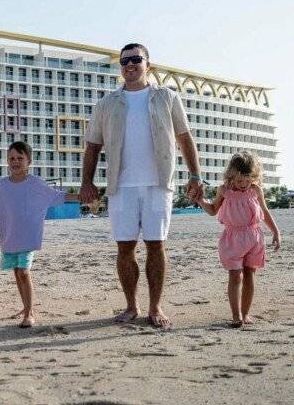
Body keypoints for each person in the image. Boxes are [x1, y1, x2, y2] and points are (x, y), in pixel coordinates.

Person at [79, 43, 203, 329]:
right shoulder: (106, 104)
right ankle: (131, 306)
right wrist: (87, 182)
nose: (130, 65)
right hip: (121, 185)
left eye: (136, 59)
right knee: (125, 247)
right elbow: (92, 146)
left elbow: (184, 138)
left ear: (148, 64)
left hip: (159, 183)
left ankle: (155, 306)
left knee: (156, 245)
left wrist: (195, 175)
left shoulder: (167, 97)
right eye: (124, 61)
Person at [0, 141, 65, 328]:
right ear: (7, 161)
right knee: (17, 273)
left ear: (29, 161)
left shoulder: (36, 184)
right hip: (10, 236)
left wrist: (85, 195)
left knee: (24, 272)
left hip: (28, 236)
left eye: (20, 158)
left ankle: (30, 313)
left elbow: (57, 196)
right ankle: (26, 306)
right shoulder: (2, 185)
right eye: (11, 158)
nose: (15, 162)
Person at [195, 151, 281, 327]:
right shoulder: (224, 191)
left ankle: (245, 314)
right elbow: (213, 210)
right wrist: (201, 200)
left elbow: (264, 212)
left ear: (254, 176)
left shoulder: (256, 190)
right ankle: (236, 316)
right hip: (232, 238)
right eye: (239, 180)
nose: (243, 184)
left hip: (254, 237)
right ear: (231, 176)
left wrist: (276, 232)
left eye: (247, 180)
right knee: (235, 276)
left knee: (250, 275)